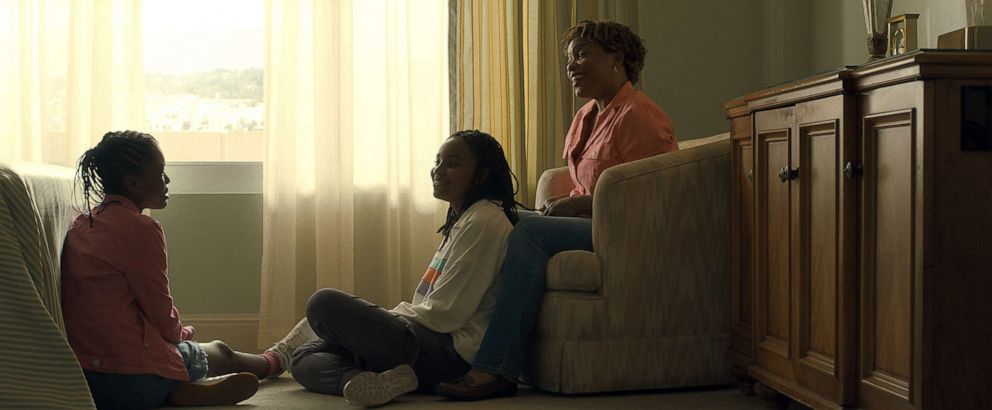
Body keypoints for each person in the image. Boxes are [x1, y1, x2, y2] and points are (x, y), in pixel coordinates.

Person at [435, 20, 677, 400]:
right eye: (569, 60)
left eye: (582, 54)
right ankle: (451, 333)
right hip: (584, 222)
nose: (572, 67)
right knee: (494, 212)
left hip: (623, 229)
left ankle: (496, 367)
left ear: (617, 59)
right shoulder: (585, 116)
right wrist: (566, 203)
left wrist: (580, 202)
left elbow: (653, 194)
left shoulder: (640, 114)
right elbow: (583, 181)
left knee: (529, 232)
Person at [285, 130, 520, 407]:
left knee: (322, 302)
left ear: (482, 175)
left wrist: (384, 321)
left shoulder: (485, 220)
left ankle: (383, 371)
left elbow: (446, 315)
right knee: (302, 358)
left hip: (449, 352)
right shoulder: (463, 219)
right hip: (425, 344)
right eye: (438, 161)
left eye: (453, 164)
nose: (438, 170)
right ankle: (375, 382)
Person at [61, 131, 281, 409]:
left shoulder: (82, 224)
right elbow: (159, 309)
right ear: (133, 183)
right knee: (221, 353)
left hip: (90, 377)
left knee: (179, 351)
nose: (167, 181)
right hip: (131, 374)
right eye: (161, 173)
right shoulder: (141, 229)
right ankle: (276, 361)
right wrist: (182, 334)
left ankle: (178, 393)